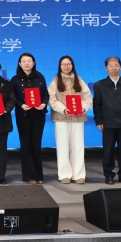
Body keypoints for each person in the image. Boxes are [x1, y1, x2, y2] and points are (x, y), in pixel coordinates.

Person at [93, 56, 121, 185]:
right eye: (111, 66)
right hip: (108, 123)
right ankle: (109, 175)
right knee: (108, 151)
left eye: (116, 65)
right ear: (106, 68)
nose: (114, 68)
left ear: (120, 67)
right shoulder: (99, 85)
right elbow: (97, 105)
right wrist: (98, 120)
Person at [48, 56, 92, 184]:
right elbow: (51, 99)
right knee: (62, 147)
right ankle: (64, 174)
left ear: (72, 65)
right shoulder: (55, 81)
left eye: (68, 64)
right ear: (60, 66)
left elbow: (87, 97)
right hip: (61, 118)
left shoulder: (79, 80)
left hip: (78, 117)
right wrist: (63, 109)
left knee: (78, 146)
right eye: (63, 64)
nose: (66, 66)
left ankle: (79, 175)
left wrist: (82, 108)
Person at [10, 53, 49, 184]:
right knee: (26, 145)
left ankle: (39, 175)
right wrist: (21, 105)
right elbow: (12, 97)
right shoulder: (15, 79)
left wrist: (44, 103)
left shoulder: (40, 77)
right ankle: (29, 176)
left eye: (29, 61)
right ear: (19, 64)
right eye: (24, 61)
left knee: (36, 145)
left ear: (33, 63)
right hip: (23, 115)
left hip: (38, 115)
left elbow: (46, 94)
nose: (27, 63)